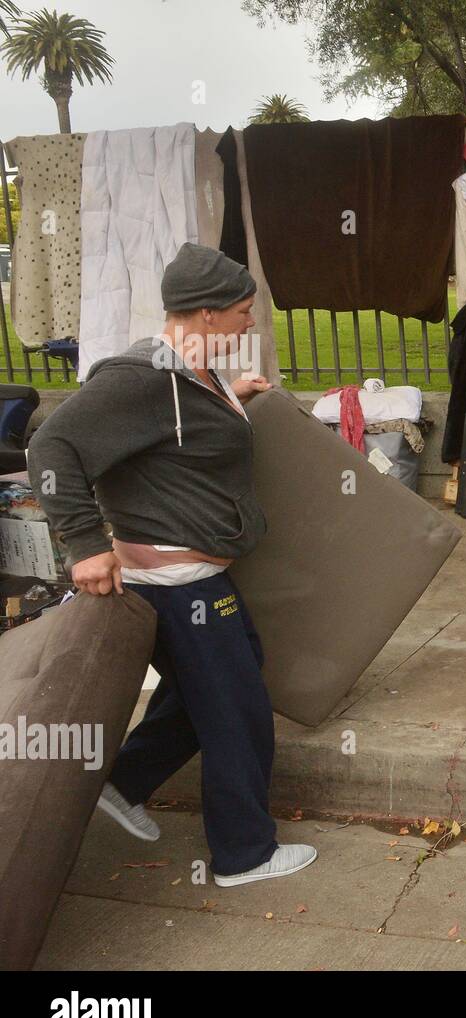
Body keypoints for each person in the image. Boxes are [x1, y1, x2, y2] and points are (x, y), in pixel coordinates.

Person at [28, 243, 316, 888]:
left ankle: (124, 783)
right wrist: (83, 545)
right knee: (235, 710)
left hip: (197, 578)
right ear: (207, 315)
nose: (251, 322)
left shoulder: (193, 374)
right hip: (179, 582)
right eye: (243, 311)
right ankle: (245, 854)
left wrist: (232, 399)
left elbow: (171, 431)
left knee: (211, 687)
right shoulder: (142, 377)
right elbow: (53, 444)